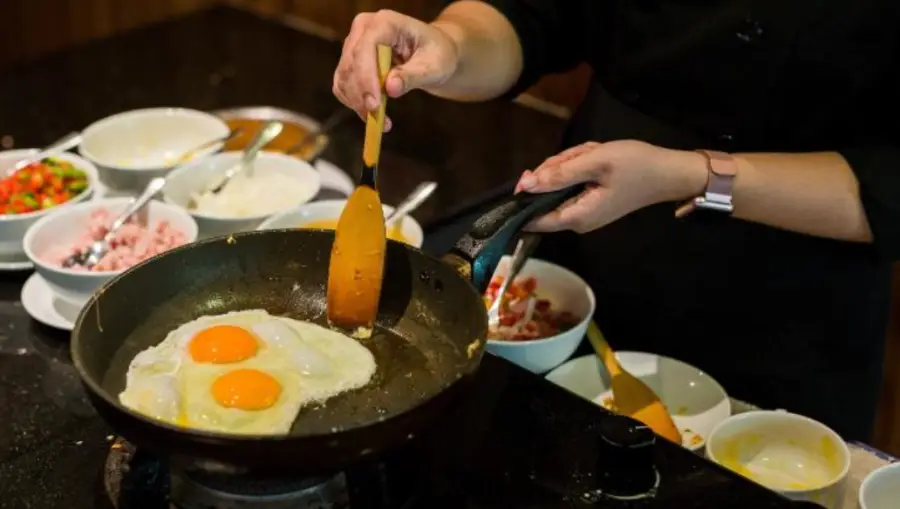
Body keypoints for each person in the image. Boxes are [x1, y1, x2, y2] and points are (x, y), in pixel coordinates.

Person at [331, 0, 900, 440]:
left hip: (796, 309)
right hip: (593, 256)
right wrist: (451, 46)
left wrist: (692, 175)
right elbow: (532, 15)